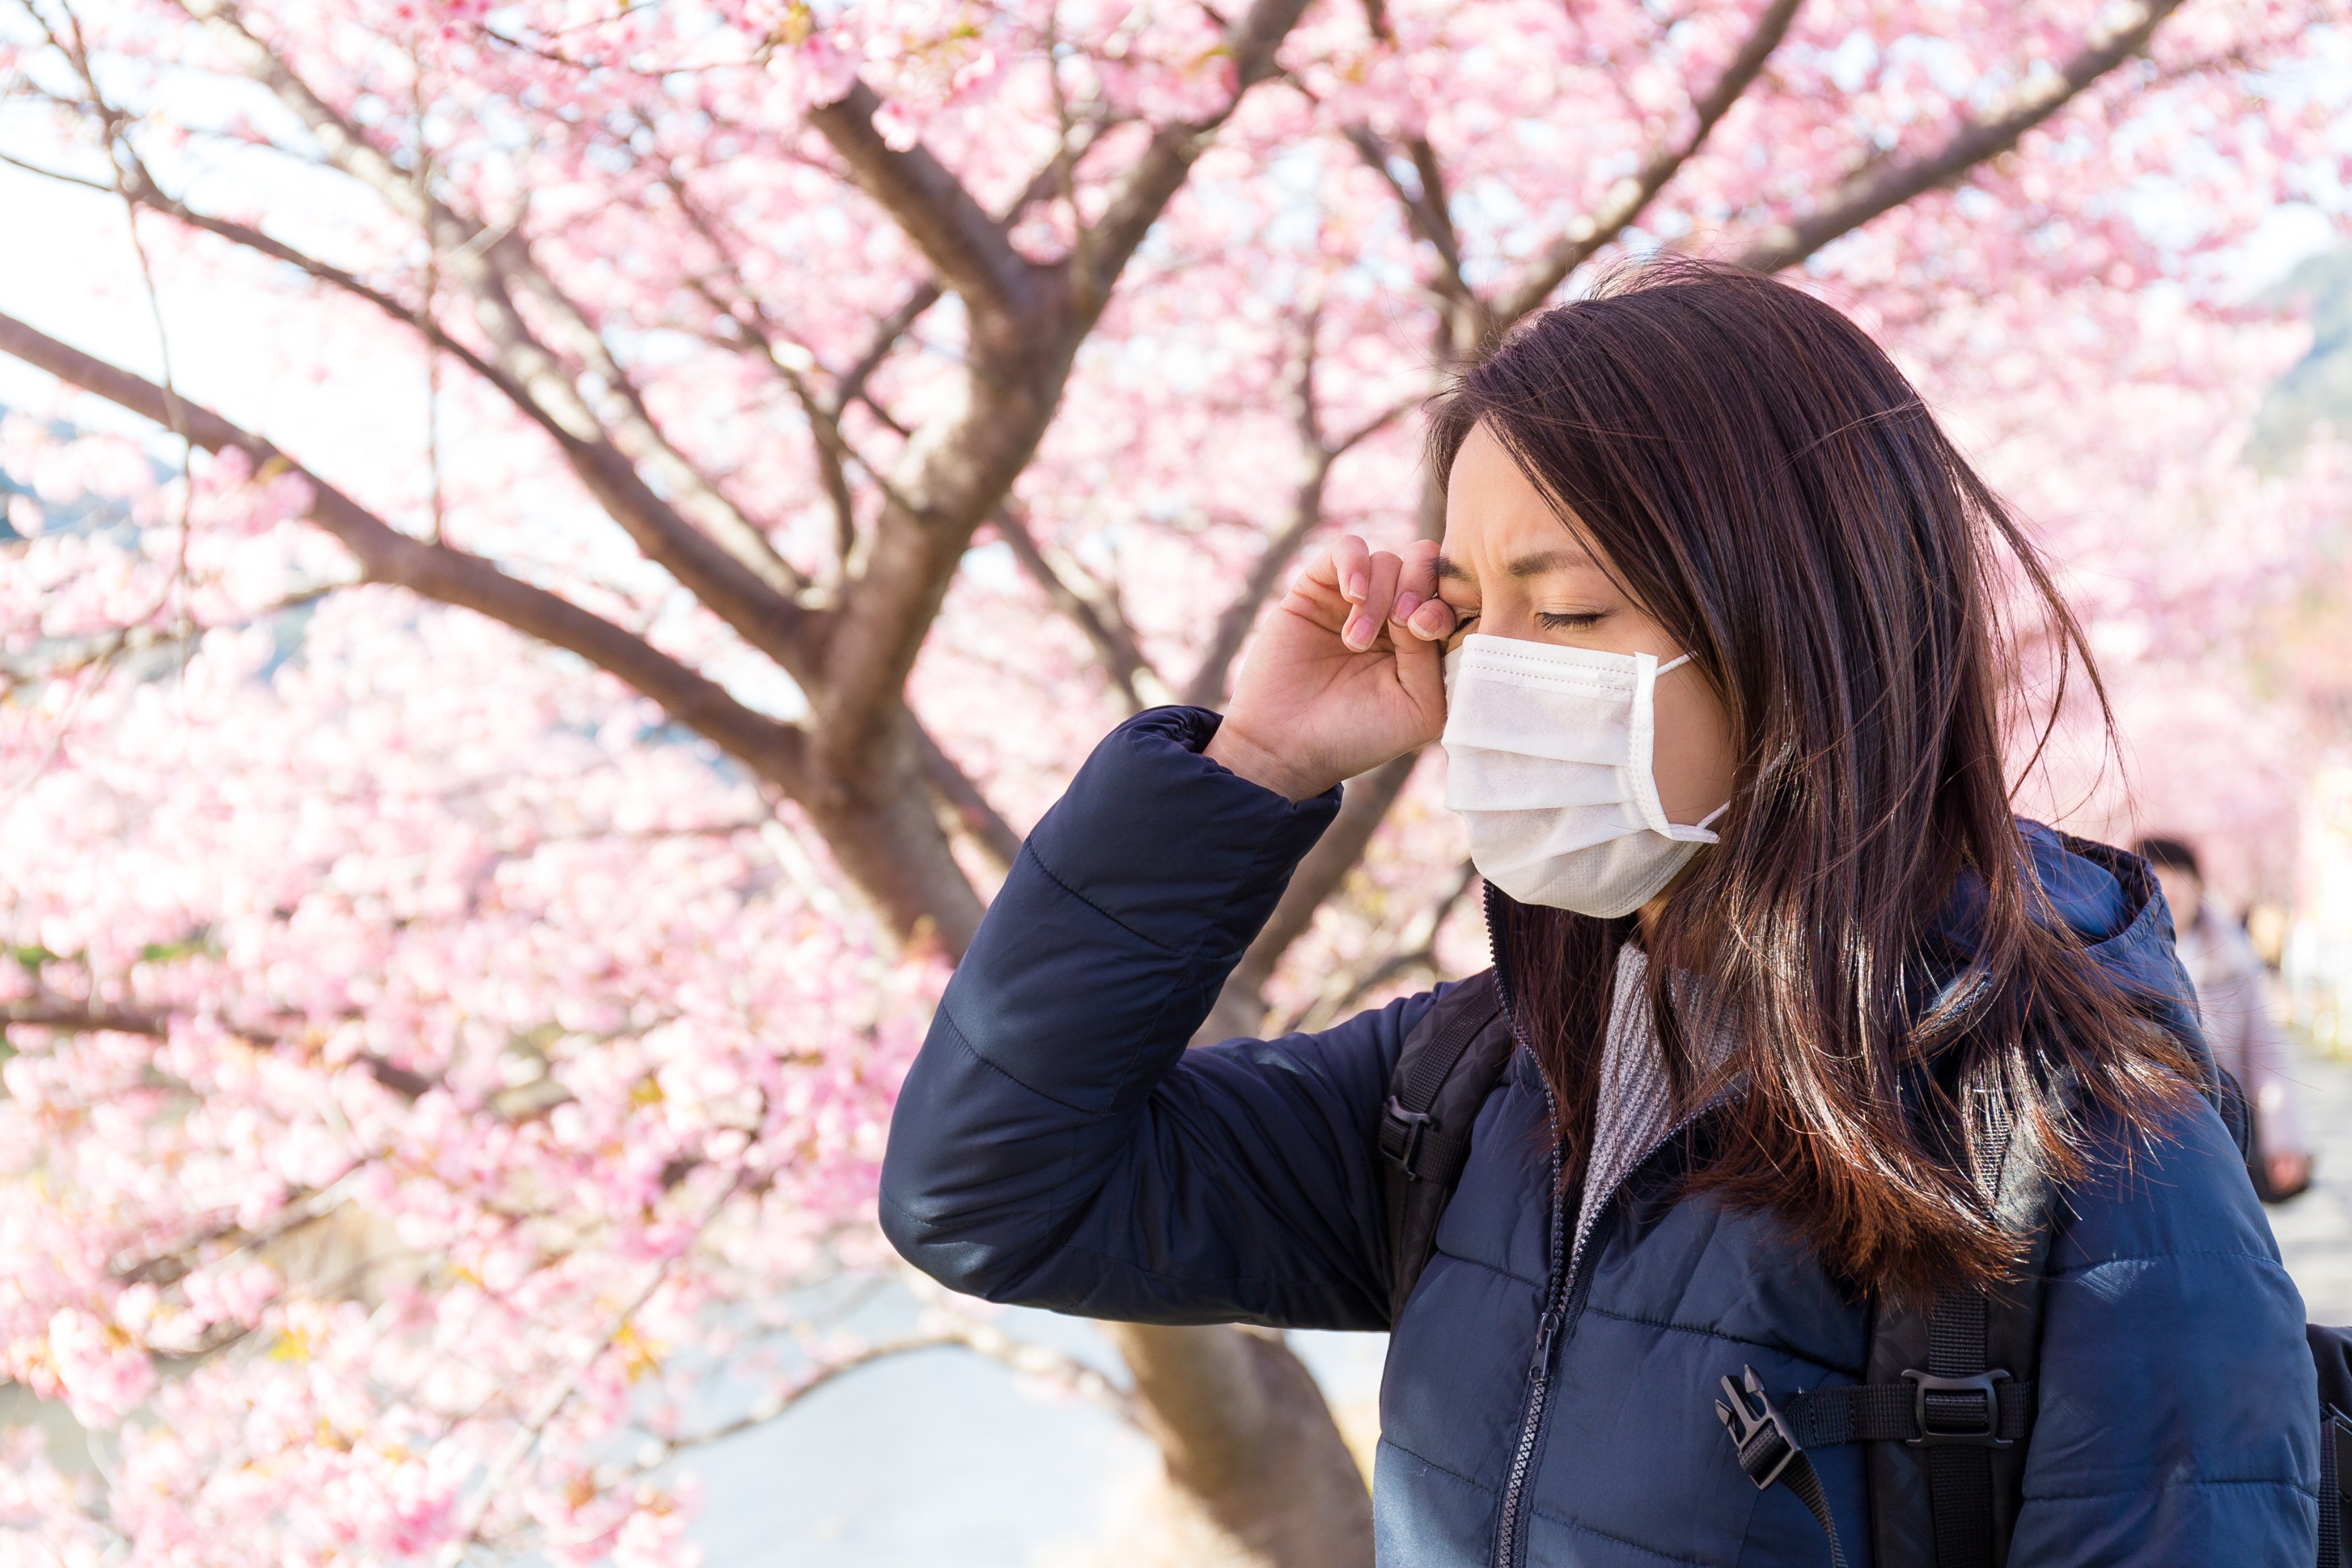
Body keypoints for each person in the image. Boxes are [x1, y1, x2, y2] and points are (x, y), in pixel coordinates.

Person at [880, 261, 2319, 1565]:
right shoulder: (1478, 1088)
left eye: (1566, 616)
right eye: (1465, 611)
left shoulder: (2076, 1136)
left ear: (1802, 633)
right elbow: (992, 1199)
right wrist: (1251, 766)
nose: (1495, 676)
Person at [2134, 835, 2315, 1202]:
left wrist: (2283, 1140)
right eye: (2155, 875)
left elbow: (2265, 1054)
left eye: (2179, 876)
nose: (2168, 888)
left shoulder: (2234, 960)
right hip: (2138, 1144)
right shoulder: (2111, 959)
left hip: (2221, 1135)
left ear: (2199, 886)